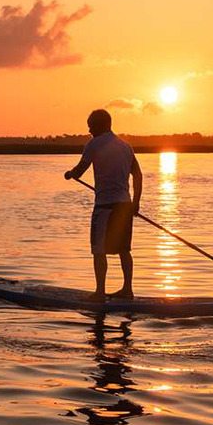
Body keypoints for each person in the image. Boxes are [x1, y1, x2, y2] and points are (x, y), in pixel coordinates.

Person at [63, 109, 143, 301]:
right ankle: (127, 290)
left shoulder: (93, 144)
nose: (89, 130)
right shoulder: (125, 146)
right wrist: (136, 202)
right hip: (124, 205)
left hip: (105, 206)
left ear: (99, 125)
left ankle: (100, 292)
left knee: (99, 249)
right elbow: (138, 175)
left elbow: (80, 170)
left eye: (90, 125)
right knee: (124, 249)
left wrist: (70, 173)